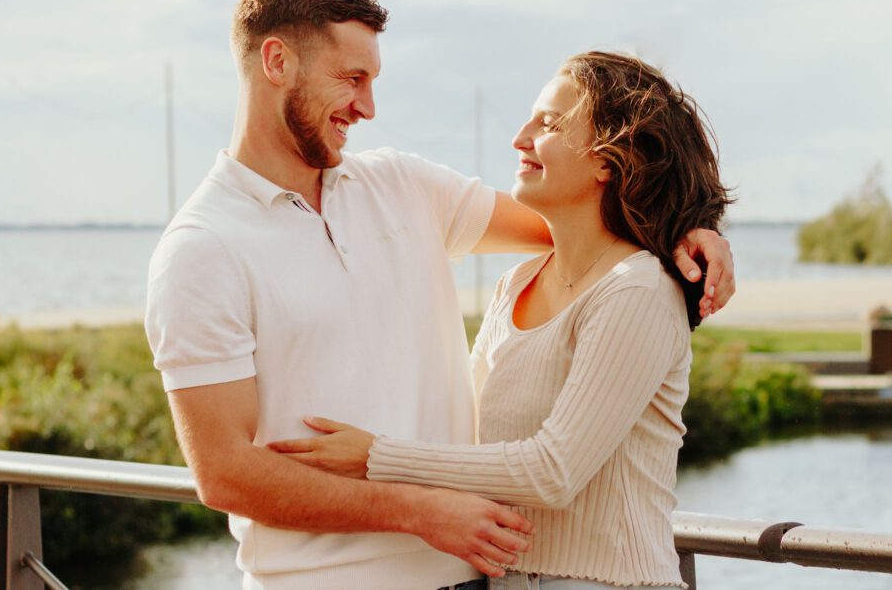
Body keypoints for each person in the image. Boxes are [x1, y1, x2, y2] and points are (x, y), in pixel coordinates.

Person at [145, 0, 735, 590]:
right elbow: (226, 474)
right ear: (276, 61)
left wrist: (689, 231)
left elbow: (585, 228)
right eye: (352, 79)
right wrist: (415, 509)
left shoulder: (401, 185)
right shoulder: (200, 250)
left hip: (477, 576)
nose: (367, 107)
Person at [268, 51, 732, 589]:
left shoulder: (639, 290)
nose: (521, 137)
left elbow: (553, 471)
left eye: (550, 124)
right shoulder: (516, 282)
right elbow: (472, 447)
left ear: (611, 160)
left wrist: (374, 456)